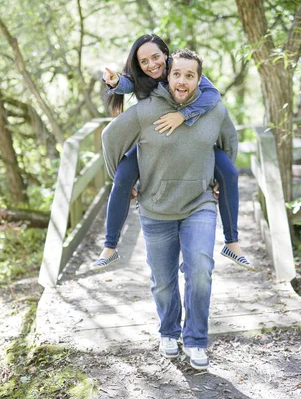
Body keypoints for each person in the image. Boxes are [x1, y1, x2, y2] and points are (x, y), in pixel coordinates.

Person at [102, 48, 237, 370]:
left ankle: (195, 340)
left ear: (198, 79)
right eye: (177, 74)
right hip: (156, 207)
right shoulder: (147, 110)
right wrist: (123, 181)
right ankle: (168, 331)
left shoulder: (213, 107)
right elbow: (110, 137)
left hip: (199, 204)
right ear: (168, 75)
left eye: (190, 75)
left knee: (200, 270)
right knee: (163, 281)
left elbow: (229, 142)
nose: (182, 80)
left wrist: (221, 177)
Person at [93, 34, 252, 271]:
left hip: (198, 142)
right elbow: (129, 85)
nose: (151, 65)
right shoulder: (146, 79)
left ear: (166, 55)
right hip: (153, 142)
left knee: (229, 172)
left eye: (156, 57)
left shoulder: (182, 67)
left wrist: (183, 115)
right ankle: (110, 247)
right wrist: (115, 82)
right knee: (122, 176)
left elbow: (213, 95)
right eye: (144, 61)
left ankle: (232, 242)